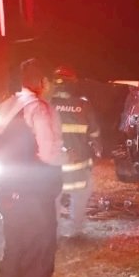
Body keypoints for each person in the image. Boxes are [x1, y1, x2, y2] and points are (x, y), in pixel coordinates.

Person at [0, 59, 83, 277]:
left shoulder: (6, 106)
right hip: (33, 195)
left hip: (8, 191)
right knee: (38, 260)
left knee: (14, 256)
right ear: (42, 82)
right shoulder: (39, 109)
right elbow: (48, 153)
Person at [51, 66, 101, 237]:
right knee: (80, 195)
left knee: (53, 197)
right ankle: (76, 230)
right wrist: (97, 146)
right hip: (79, 165)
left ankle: (53, 231)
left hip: (54, 166)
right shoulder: (83, 104)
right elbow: (94, 133)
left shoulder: (47, 105)